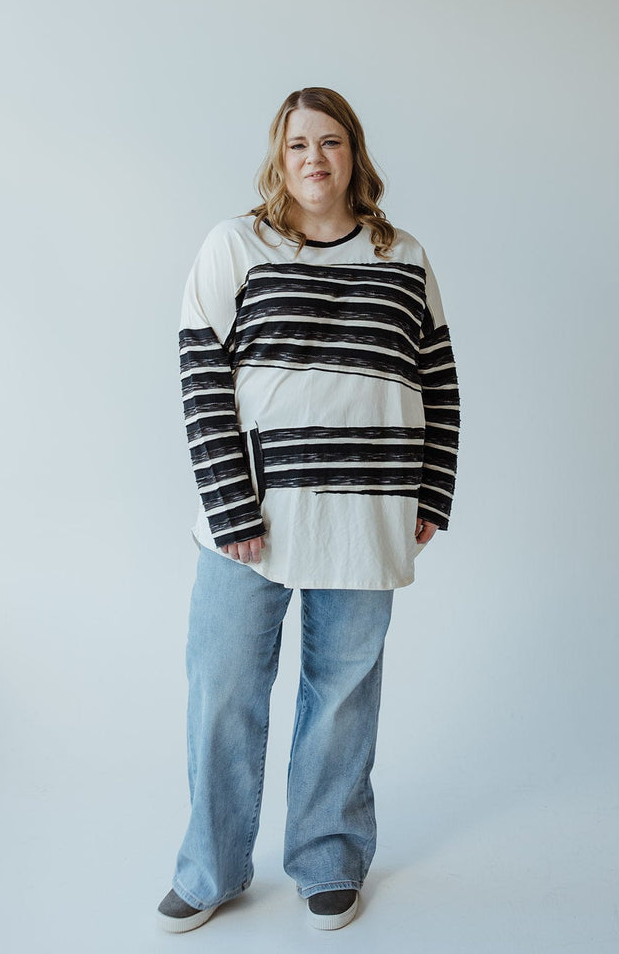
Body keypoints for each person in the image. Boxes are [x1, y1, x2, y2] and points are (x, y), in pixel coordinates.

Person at [157, 87, 460, 933]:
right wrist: (229, 503)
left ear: (354, 155)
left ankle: (327, 856)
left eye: (330, 143)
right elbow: (200, 373)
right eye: (298, 146)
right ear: (278, 157)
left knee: (342, 695)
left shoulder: (403, 255)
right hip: (250, 517)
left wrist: (430, 489)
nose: (314, 160)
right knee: (222, 687)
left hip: (368, 513)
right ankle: (211, 867)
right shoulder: (235, 244)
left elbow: (437, 378)